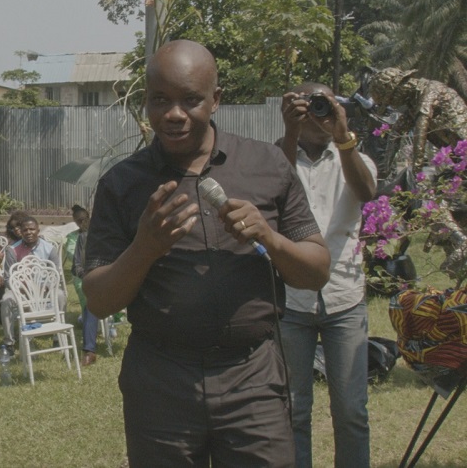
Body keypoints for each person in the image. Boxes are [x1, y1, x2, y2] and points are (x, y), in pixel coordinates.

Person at [82, 40, 330, 467]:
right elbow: (100, 301)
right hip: (161, 383)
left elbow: (317, 270)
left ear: (215, 100)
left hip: (252, 377)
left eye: (190, 100)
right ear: (146, 103)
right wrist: (144, 249)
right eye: (160, 100)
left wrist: (270, 239)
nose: (174, 114)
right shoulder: (121, 184)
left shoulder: (267, 164)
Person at [278, 83, 377, 468]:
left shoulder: (352, 158)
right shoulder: (279, 155)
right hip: (292, 300)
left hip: (344, 298)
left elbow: (367, 192)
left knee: (352, 411)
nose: (317, 113)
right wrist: (290, 133)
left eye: (324, 105)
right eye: (309, 106)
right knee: (294, 410)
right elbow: (273, 186)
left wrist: (342, 134)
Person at [0, 216, 66, 351]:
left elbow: (55, 275)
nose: (29, 232)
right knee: (6, 300)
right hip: (21, 291)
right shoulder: (12, 250)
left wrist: (44, 288)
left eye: (32, 229)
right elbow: (8, 278)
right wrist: (24, 289)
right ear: (21, 232)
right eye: (25, 230)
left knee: (60, 295)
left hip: (45, 290)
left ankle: (57, 337)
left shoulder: (49, 249)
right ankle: (9, 342)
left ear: (38, 230)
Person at [67, 205, 98, 366]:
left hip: (113, 277)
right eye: (80, 220)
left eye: (86, 218)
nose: (84, 222)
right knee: (90, 304)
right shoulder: (82, 238)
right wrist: (87, 276)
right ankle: (89, 350)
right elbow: (76, 265)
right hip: (92, 280)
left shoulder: (109, 236)